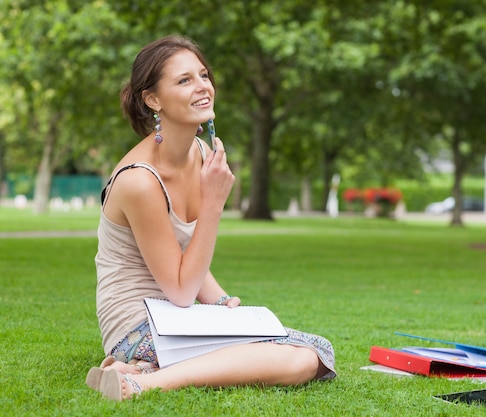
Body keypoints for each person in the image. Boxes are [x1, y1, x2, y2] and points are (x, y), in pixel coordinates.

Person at [86, 35, 336, 401]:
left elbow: (184, 255)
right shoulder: (139, 180)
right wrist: (215, 203)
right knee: (303, 359)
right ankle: (140, 382)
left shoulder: (201, 153)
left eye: (203, 75)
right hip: (138, 328)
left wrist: (220, 303)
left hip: (179, 318)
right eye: (184, 80)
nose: (203, 86)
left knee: (308, 352)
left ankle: (138, 371)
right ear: (152, 99)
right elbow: (181, 289)